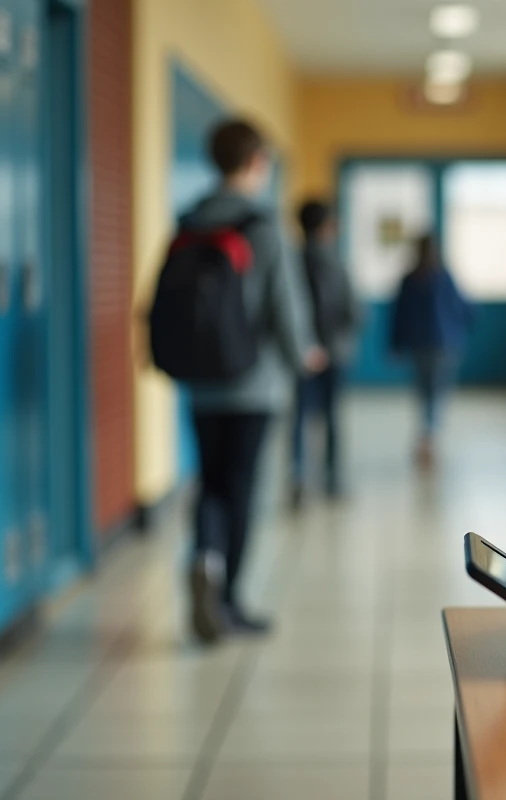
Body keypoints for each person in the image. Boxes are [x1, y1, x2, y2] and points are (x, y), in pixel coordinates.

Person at [181, 118, 325, 643]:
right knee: (240, 488)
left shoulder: (190, 220)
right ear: (255, 162)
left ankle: (202, 556)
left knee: (209, 482)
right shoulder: (263, 227)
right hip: (253, 384)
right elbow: (286, 307)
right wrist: (305, 353)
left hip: (200, 382)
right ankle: (229, 601)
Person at [291, 199, 360, 506]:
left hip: (300, 353)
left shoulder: (291, 260)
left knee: (299, 418)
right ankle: (332, 480)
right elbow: (352, 309)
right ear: (326, 226)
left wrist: (305, 344)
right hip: (332, 353)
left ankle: (298, 479)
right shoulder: (335, 261)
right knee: (331, 416)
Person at [389, 234, 473, 468]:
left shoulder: (410, 279)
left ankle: (426, 435)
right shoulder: (443, 277)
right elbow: (463, 307)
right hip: (445, 345)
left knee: (425, 392)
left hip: (419, 345)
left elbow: (399, 315)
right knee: (437, 393)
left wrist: (396, 343)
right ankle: (430, 436)